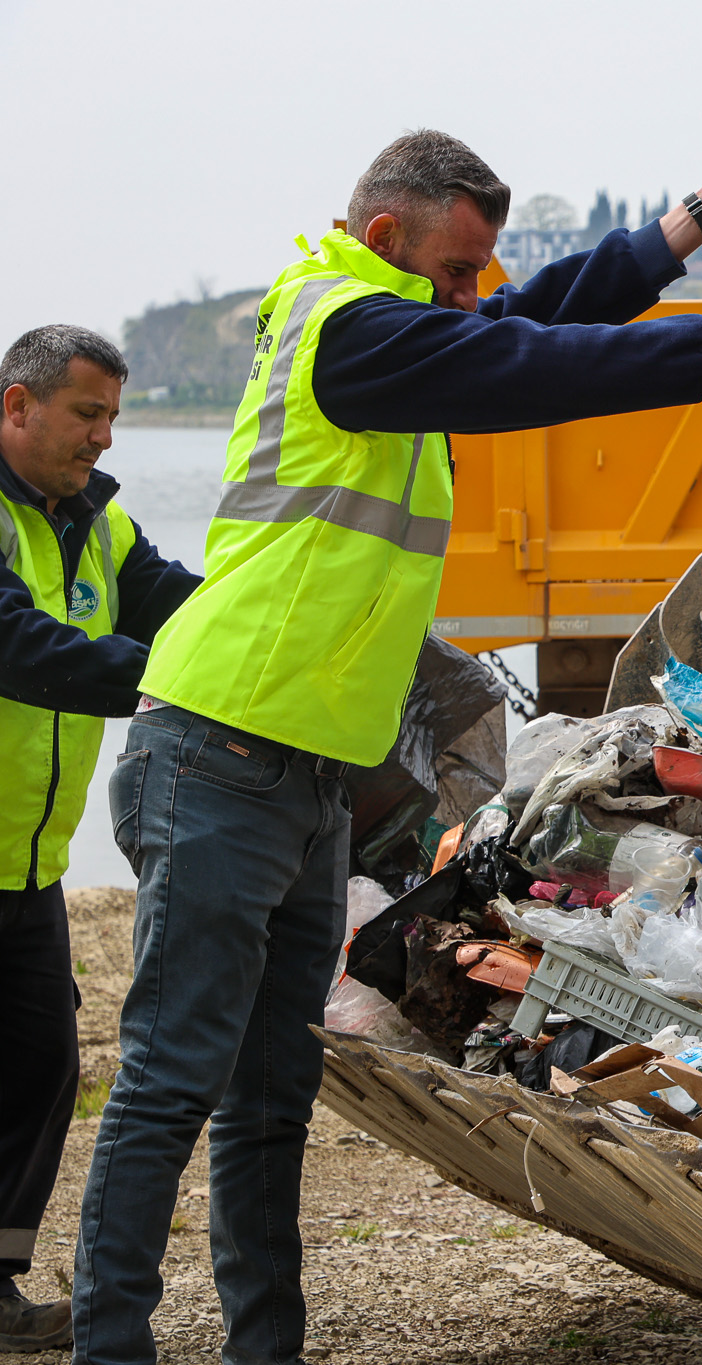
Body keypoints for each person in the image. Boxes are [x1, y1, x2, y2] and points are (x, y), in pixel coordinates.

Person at [71, 130, 702, 1365]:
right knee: (168, 1080)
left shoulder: (401, 322)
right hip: (219, 750)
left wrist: (686, 225)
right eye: (456, 269)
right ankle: (111, 1349)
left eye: (475, 275)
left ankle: (264, 1349)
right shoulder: (346, 329)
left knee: (265, 1097)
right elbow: (529, 360)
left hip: (304, 770)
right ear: (384, 239)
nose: (473, 292)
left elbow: (530, 316)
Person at [0, 327, 200, 1354]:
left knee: (38, 1063)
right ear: (16, 406)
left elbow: (180, 610)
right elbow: (23, 650)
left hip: (24, 860)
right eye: (86, 415)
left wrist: (258, 639)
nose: (103, 437)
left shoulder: (96, 525)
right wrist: (179, 686)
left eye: (114, 416)